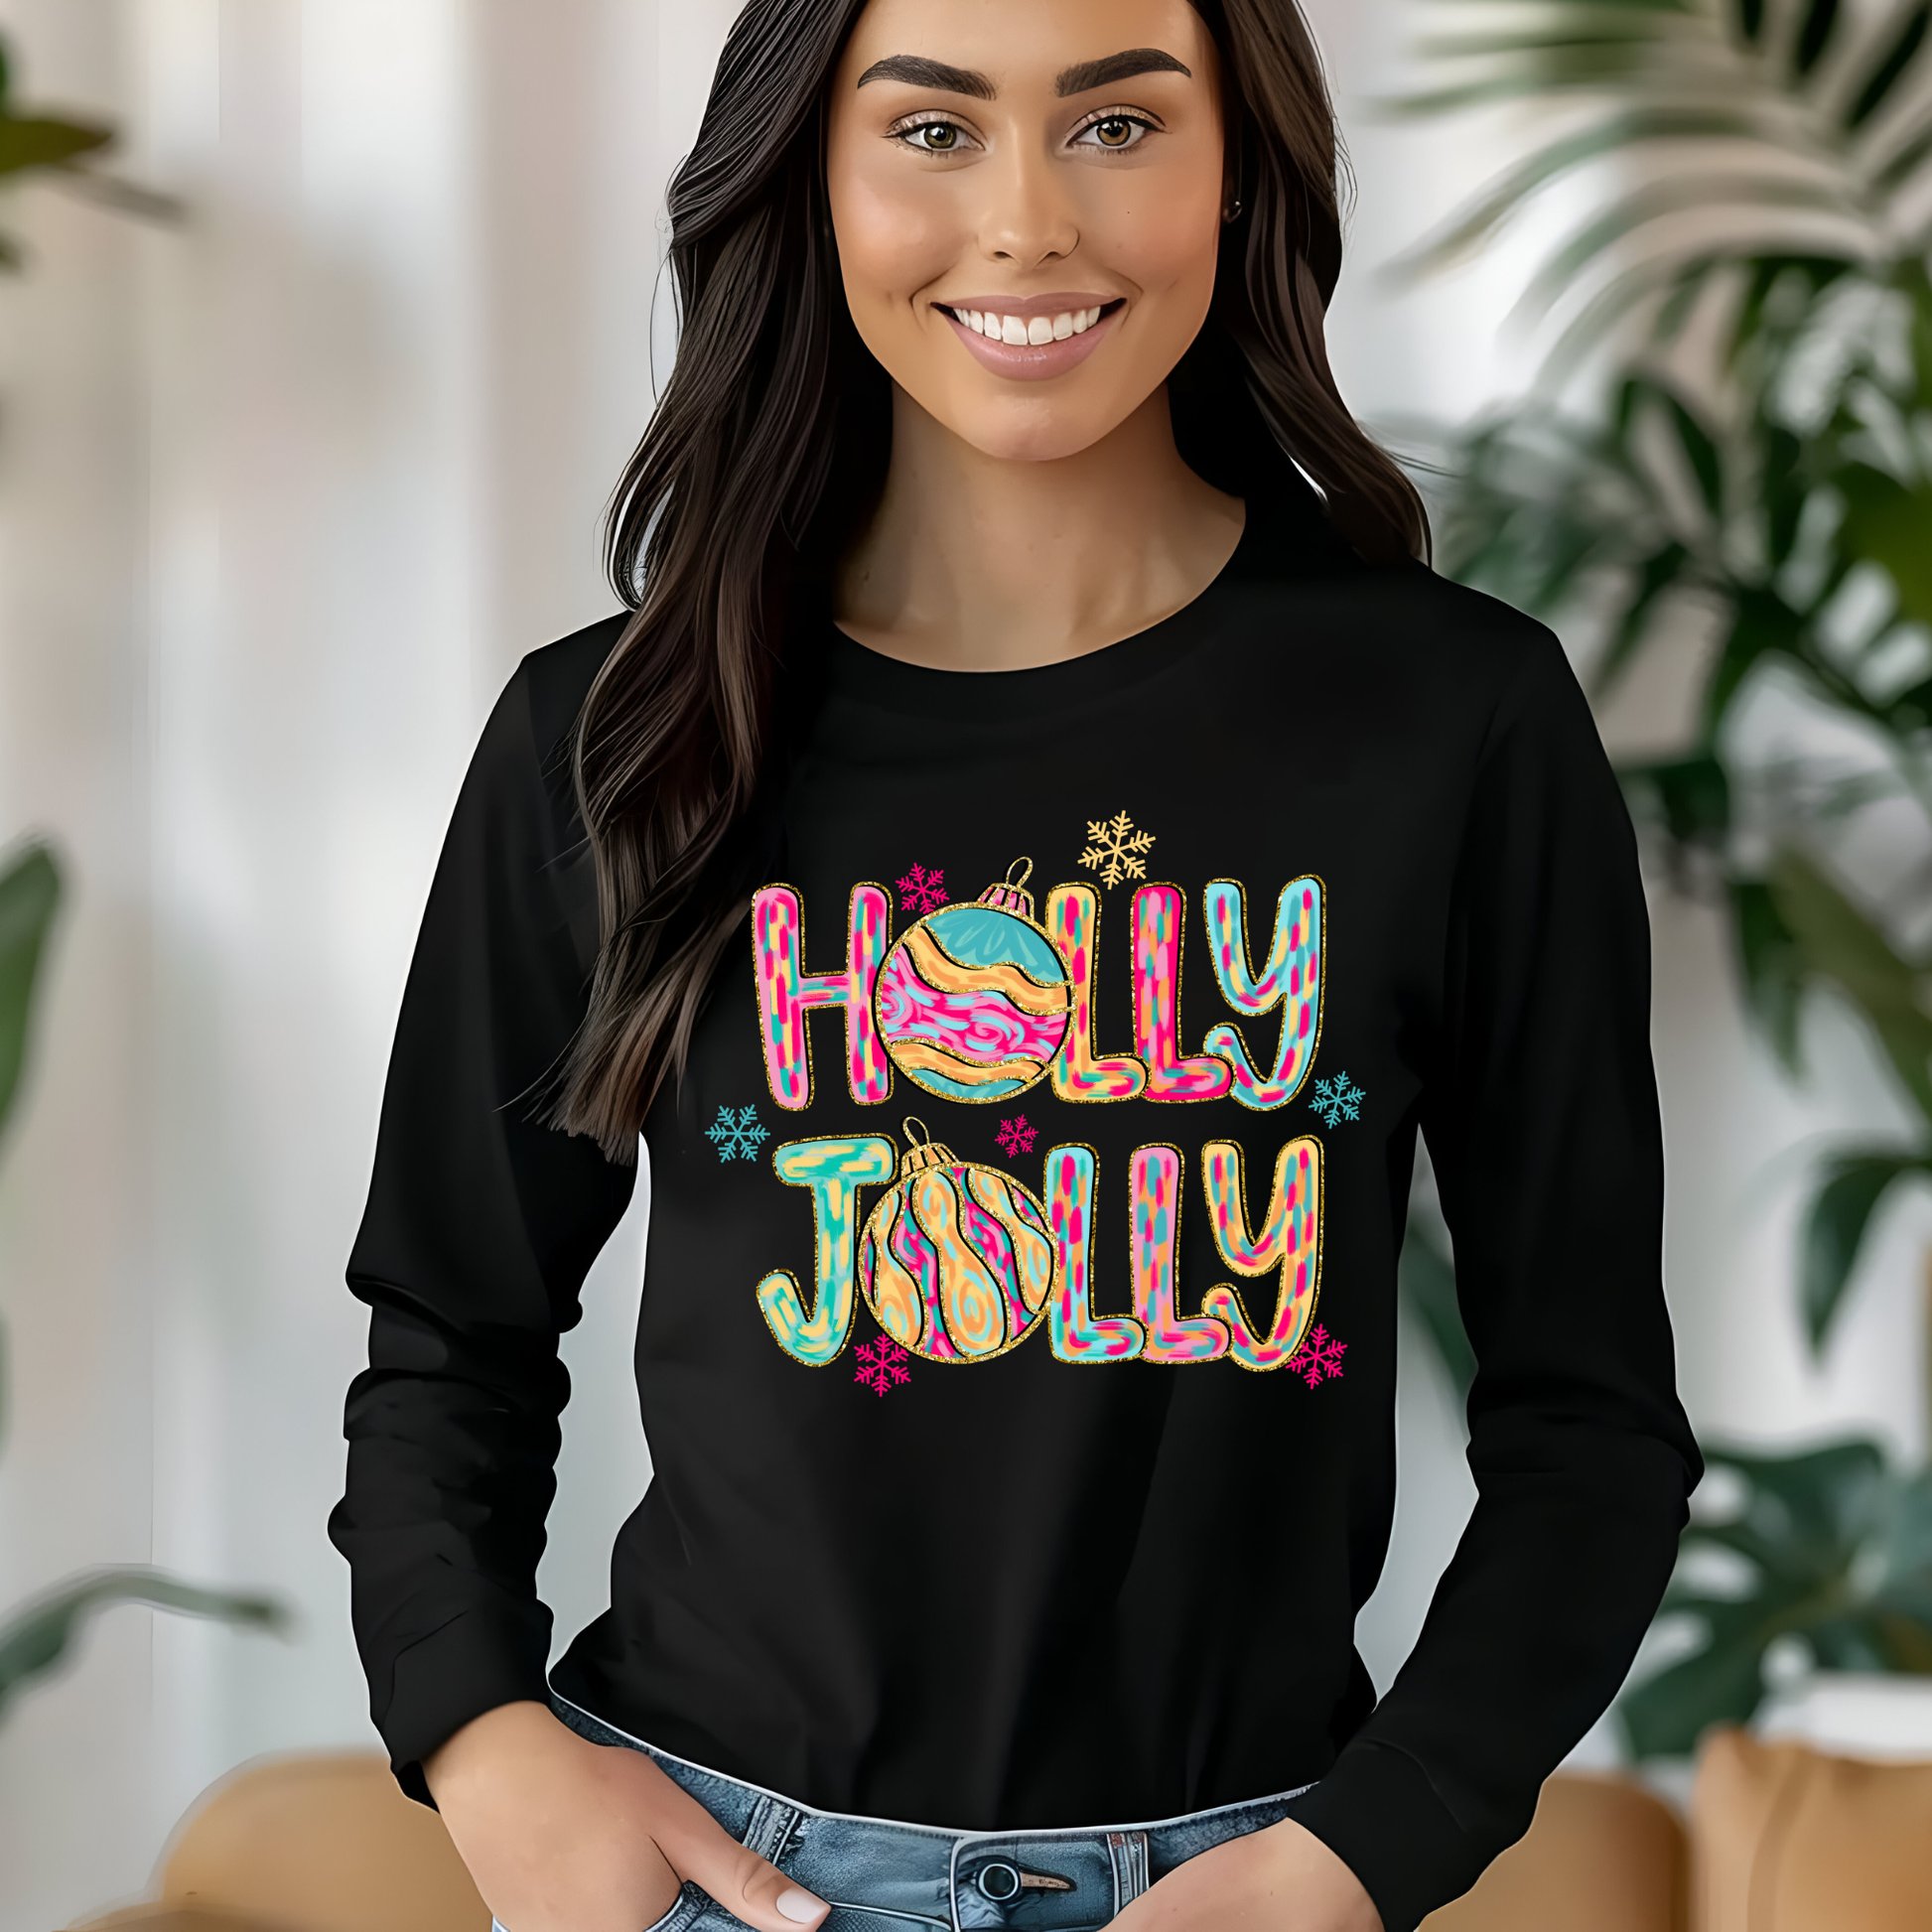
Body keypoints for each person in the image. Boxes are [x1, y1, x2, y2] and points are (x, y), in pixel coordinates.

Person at [329, 1, 1700, 1929]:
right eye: (934, 130)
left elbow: (1590, 1424)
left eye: (1119, 125)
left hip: (1243, 1881)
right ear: (812, 177)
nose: (1030, 221)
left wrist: (1343, 1867)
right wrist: (485, 1747)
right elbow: (448, 1341)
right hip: (730, 1876)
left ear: (1243, 170)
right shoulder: (623, 733)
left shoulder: (1446, 723)